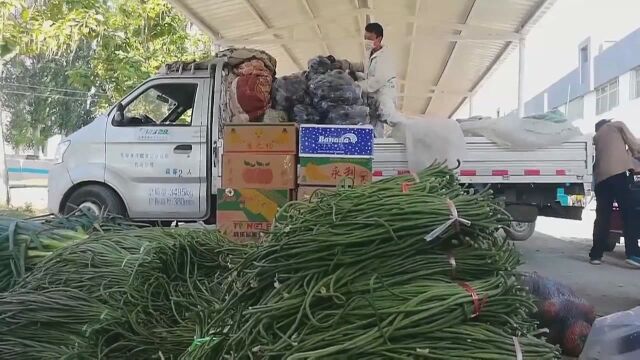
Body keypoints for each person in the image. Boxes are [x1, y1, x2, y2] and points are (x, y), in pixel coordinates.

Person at [590, 119, 640, 267]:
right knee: (628, 213)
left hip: (600, 179)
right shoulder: (617, 125)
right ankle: (632, 253)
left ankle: (596, 255)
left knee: (602, 217)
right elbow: (634, 144)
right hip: (618, 174)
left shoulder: (596, 137)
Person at [338, 23, 398, 137]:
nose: (367, 41)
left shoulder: (385, 57)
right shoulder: (370, 53)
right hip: (372, 97)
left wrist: (355, 86)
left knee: (387, 118)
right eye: (365, 38)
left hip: (383, 96)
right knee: (372, 126)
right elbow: (364, 66)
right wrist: (348, 65)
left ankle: (410, 132)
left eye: (370, 39)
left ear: (379, 38)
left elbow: (376, 82)